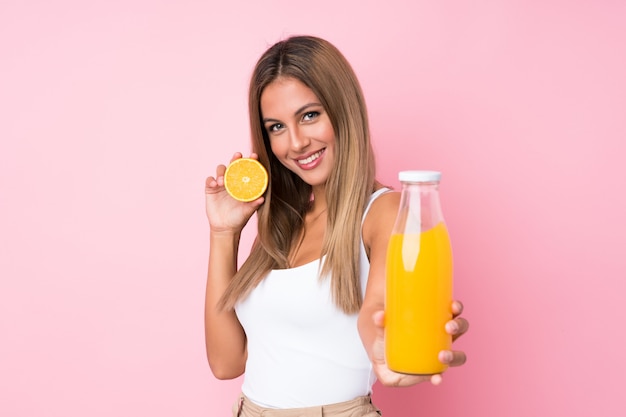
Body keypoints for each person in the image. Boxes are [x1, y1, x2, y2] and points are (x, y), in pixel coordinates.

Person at [204, 35, 468, 416]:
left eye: (309, 115)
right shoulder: (283, 224)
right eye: (276, 127)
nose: (295, 143)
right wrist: (223, 233)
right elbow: (226, 363)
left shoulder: (385, 212)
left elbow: (375, 310)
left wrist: (389, 350)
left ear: (342, 111)